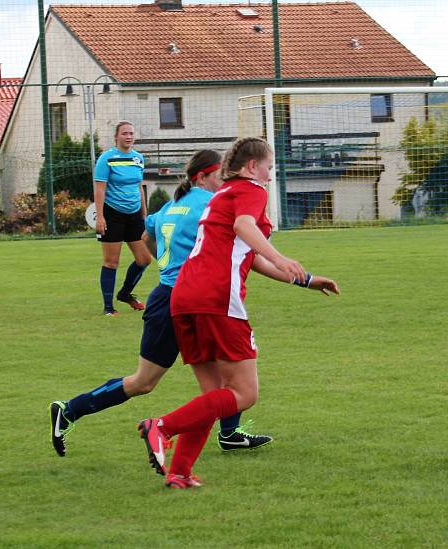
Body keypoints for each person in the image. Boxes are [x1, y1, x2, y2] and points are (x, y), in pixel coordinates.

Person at [138, 137, 340, 489]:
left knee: (213, 395)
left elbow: (251, 256)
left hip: (184, 296)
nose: (269, 174)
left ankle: (180, 472)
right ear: (251, 167)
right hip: (216, 297)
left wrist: (305, 280)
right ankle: (162, 427)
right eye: (268, 166)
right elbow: (244, 228)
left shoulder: (221, 195)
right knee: (245, 394)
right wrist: (283, 257)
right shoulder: (250, 189)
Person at [50, 150, 273, 463]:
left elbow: (147, 234)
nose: (226, 179)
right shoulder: (211, 204)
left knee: (224, 376)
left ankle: (229, 435)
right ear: (203, 176)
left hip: (172, 294)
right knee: (145, 382)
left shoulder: (172, 205)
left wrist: (166, 264)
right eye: (221, 173)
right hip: (190, 298)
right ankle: (71, 409)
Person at [94, 121, 152, 316]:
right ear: (116, 137)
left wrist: (144, 214)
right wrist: (100, 217)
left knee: (144, 259)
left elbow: (139, 186)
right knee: (111, 262)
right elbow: (99, 189)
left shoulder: (138, 158)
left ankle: (125, 294)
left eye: (131, 133)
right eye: (125, 133)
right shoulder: (107, 158)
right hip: (112, 214)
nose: (129, 136)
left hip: (134, 214)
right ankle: (108, 308)